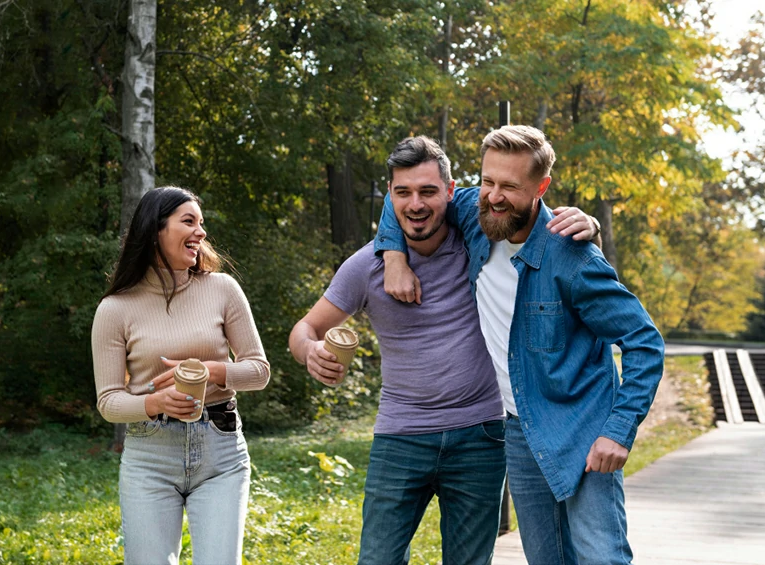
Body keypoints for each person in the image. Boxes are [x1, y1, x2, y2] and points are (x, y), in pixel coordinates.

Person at [288, 136, 596, 565]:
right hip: (400, 435)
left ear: (452, 194)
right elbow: (305, 328)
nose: (415, 204)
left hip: (481, 435)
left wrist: (585, 223)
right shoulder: (366, 266)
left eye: (429, 192)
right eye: (402, 192)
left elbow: (524, 212)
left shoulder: (481, 243)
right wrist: (309, 350)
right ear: (390, 196)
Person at [375, 125, 664, 565]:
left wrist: (618, 430)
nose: (493, 196)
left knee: (599, 557)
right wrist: (393, 255)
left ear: (541, 187)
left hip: (582, 430)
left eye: (510, 186)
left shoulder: (573, 256)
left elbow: (644, 342)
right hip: (519, 429)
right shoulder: (475, 212)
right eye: (488, 180)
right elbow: (407, 191)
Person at [91, 186, 270, 565]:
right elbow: (109, 401)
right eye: (188, 221)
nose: (201, 232)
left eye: (201, 223)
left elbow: (258, 370)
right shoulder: (114, 308)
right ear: (155, 230)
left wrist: (214, 371)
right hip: (149, 458)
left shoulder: (223, 289)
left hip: (221, 452)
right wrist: (152, 403)